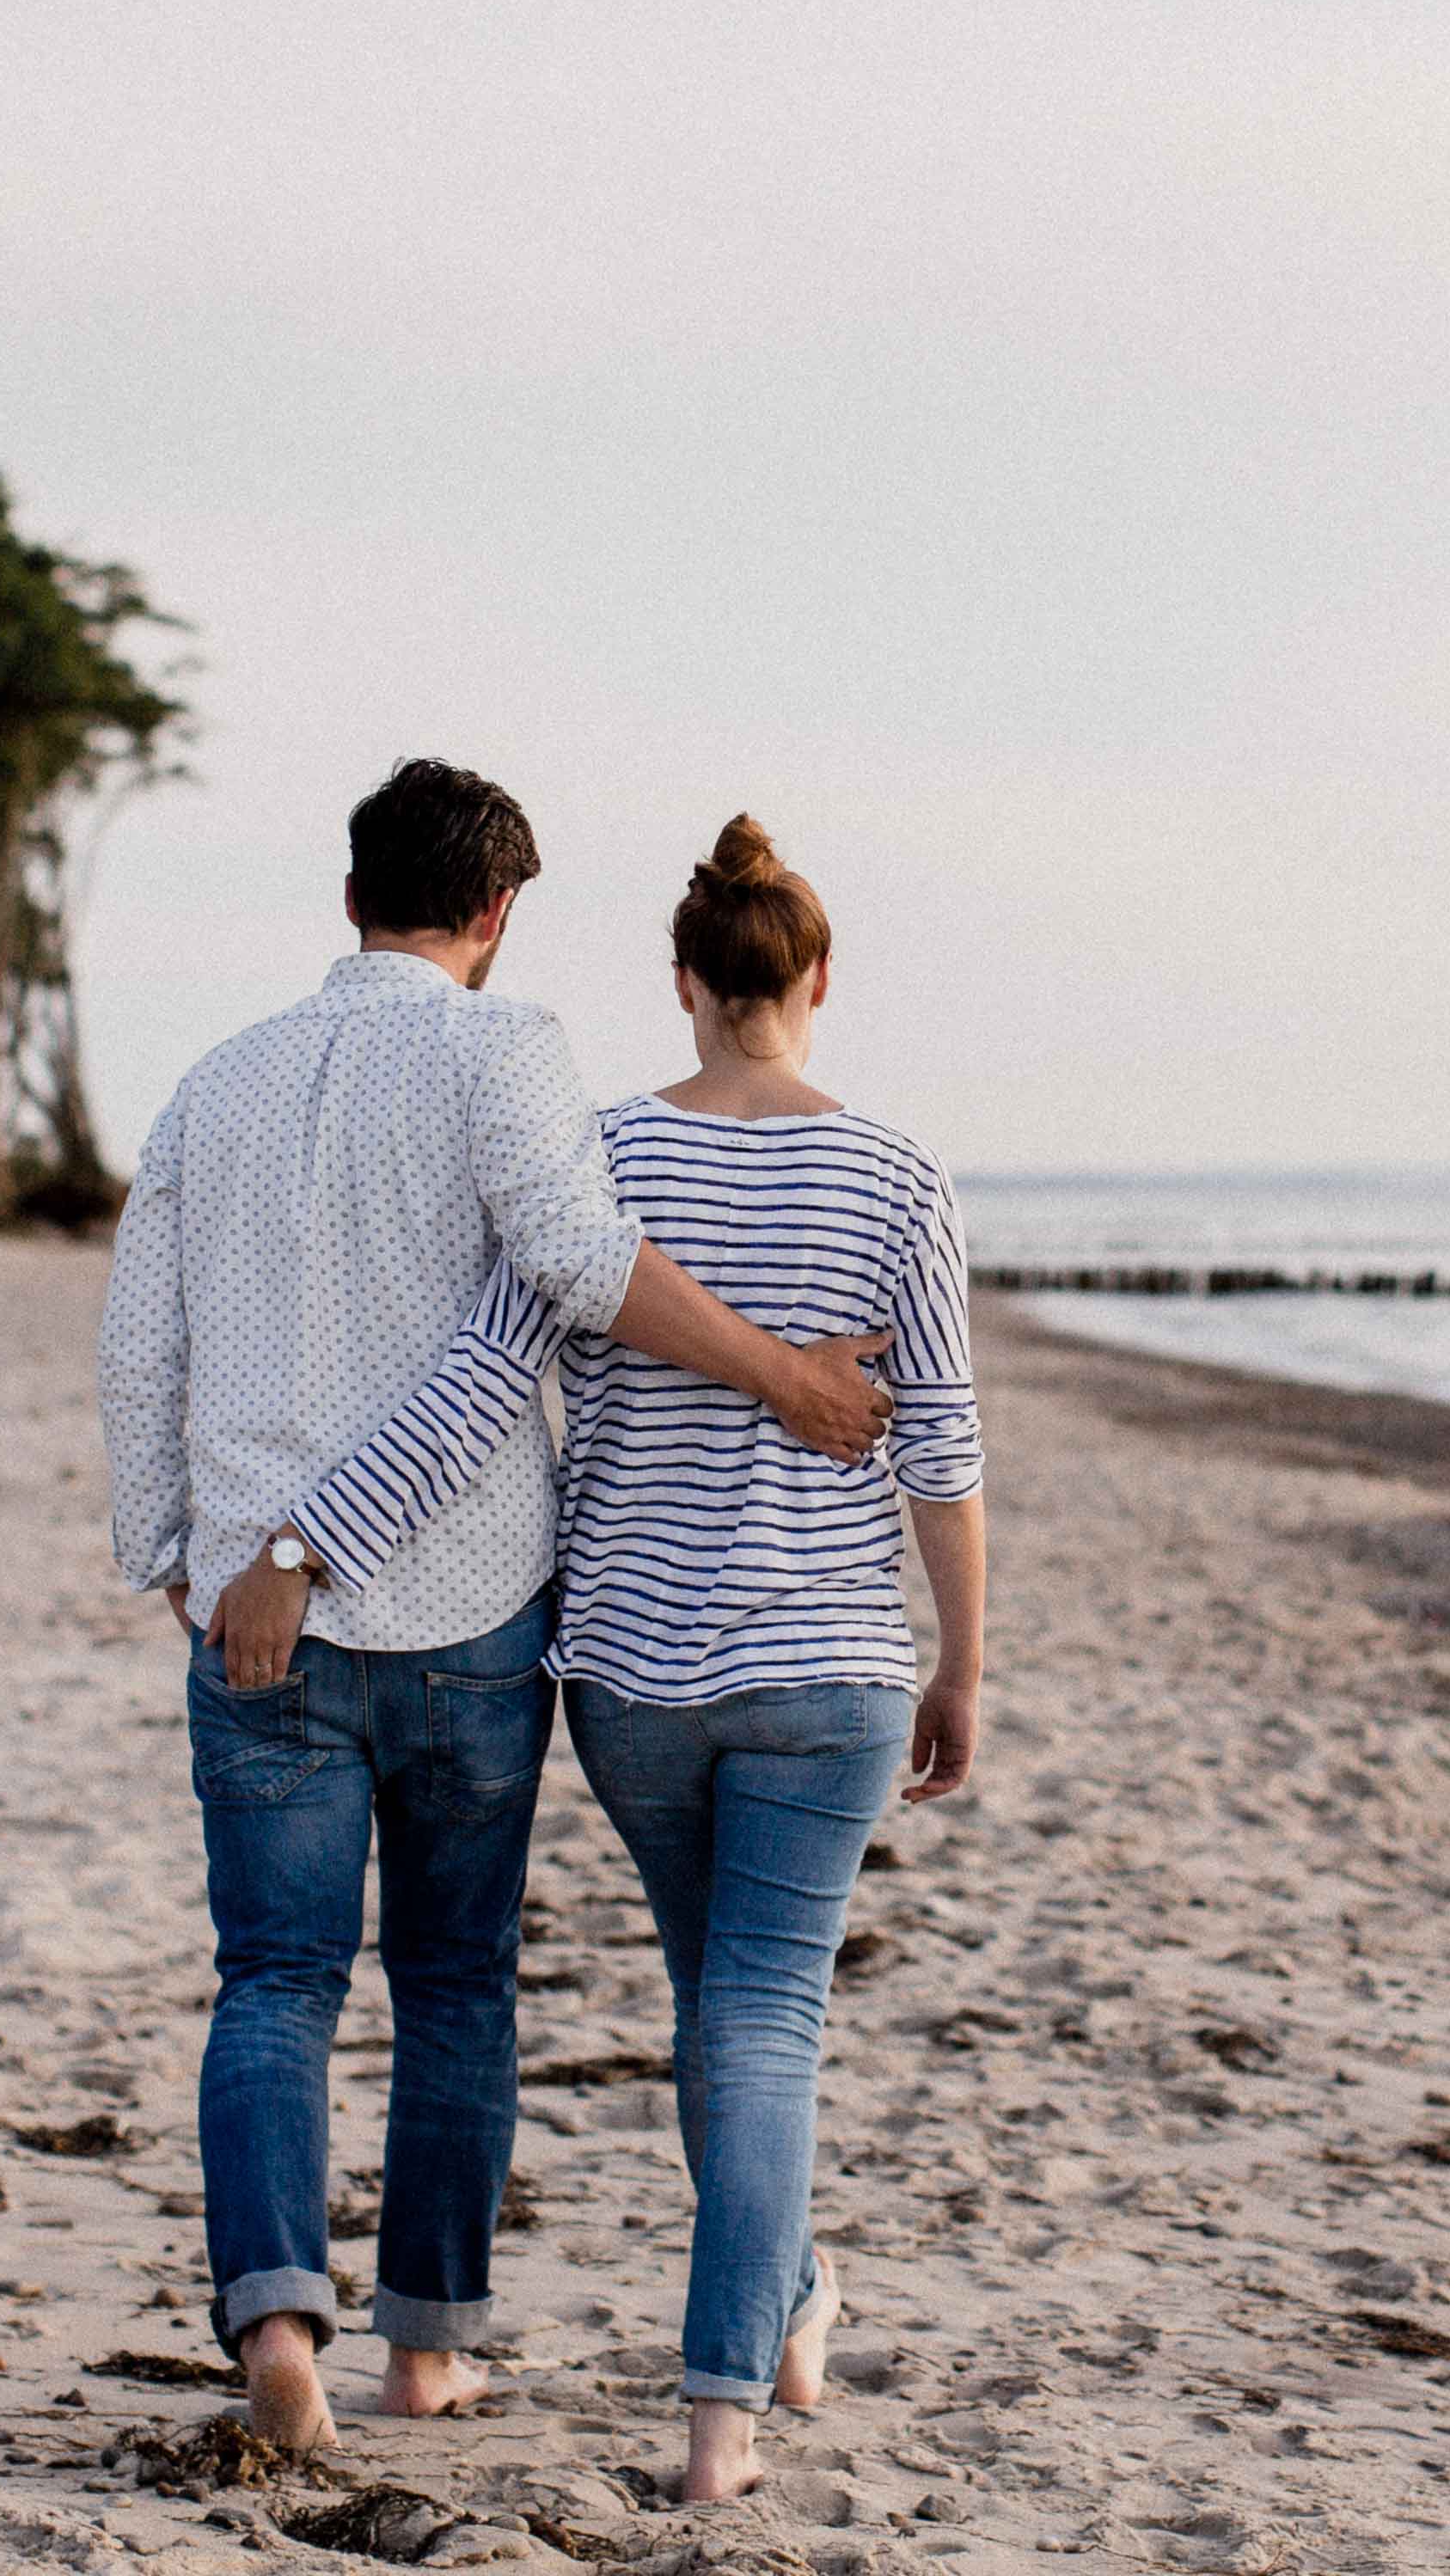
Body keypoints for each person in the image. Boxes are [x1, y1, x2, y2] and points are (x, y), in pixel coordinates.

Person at [99, 760, 901, 2448]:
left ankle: (274, 2328)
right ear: (497, 915)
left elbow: (140, 1345)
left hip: (260, 1616)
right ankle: (428, 2351)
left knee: (273, 1982)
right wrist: (786, 1384)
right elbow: (579, 1264)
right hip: (463, 1610)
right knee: (456, 1983)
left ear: (350, 901)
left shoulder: (214, 1084)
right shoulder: (505, 1050)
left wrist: (174, 1549)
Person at [297, 816, 986, 2505]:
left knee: (725, 2010)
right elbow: (943, 1453)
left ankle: (790, 2297)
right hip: (828, 1668)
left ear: (684, 983)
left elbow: (482, 1382)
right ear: (817, 982)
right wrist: (964, 1658)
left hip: (637, 1677)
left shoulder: (604, 1158)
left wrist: (304, 1543)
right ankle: (723, 2414)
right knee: (757, 2017)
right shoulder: (899, 1174)